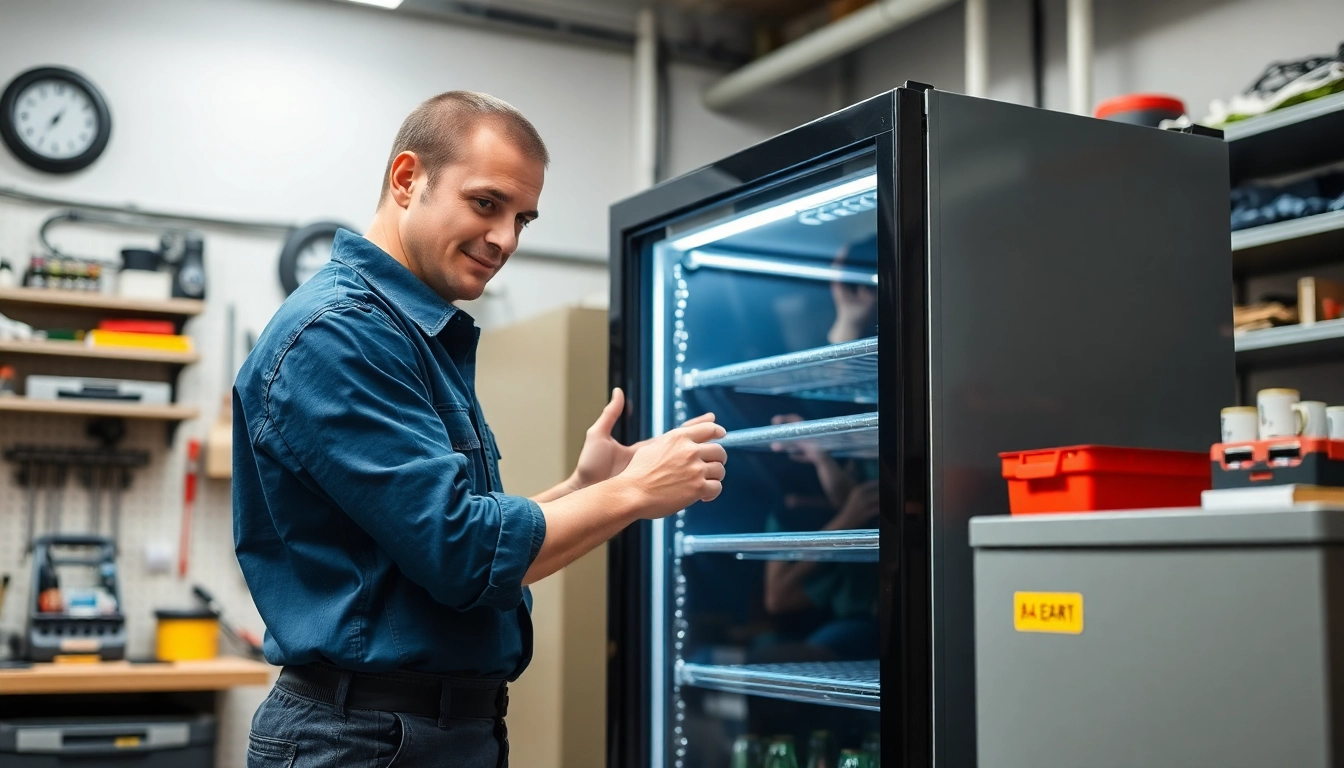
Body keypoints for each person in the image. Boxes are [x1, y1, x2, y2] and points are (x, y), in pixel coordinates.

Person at [232, 91, 728, 768]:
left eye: (522, 218)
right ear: (407, 180)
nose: (506, 240)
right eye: (486, 203)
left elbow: (457, 544)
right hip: (365, 740)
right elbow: (462, 554)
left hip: (433, 730)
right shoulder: (338, 335)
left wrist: (586, 487)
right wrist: (634, 493)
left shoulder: (413, 333)